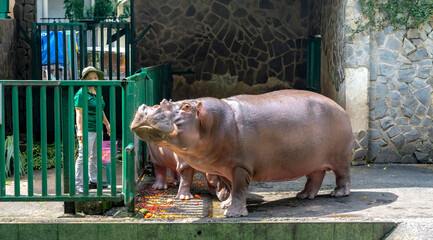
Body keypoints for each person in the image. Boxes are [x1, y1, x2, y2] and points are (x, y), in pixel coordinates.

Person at [74, 66, 110, 194]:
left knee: (95, 155)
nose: (93, 79)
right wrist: (80, 130)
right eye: (90, 78)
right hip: (87, 129)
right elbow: (79, 113)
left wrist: (107, 123)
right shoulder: (81, 93)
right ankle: (78, 184)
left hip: (97, 128)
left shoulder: (97, 91)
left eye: (95, 77)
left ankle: (93, 181)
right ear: (84, 79)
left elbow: (100, 110)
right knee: (83, 156)